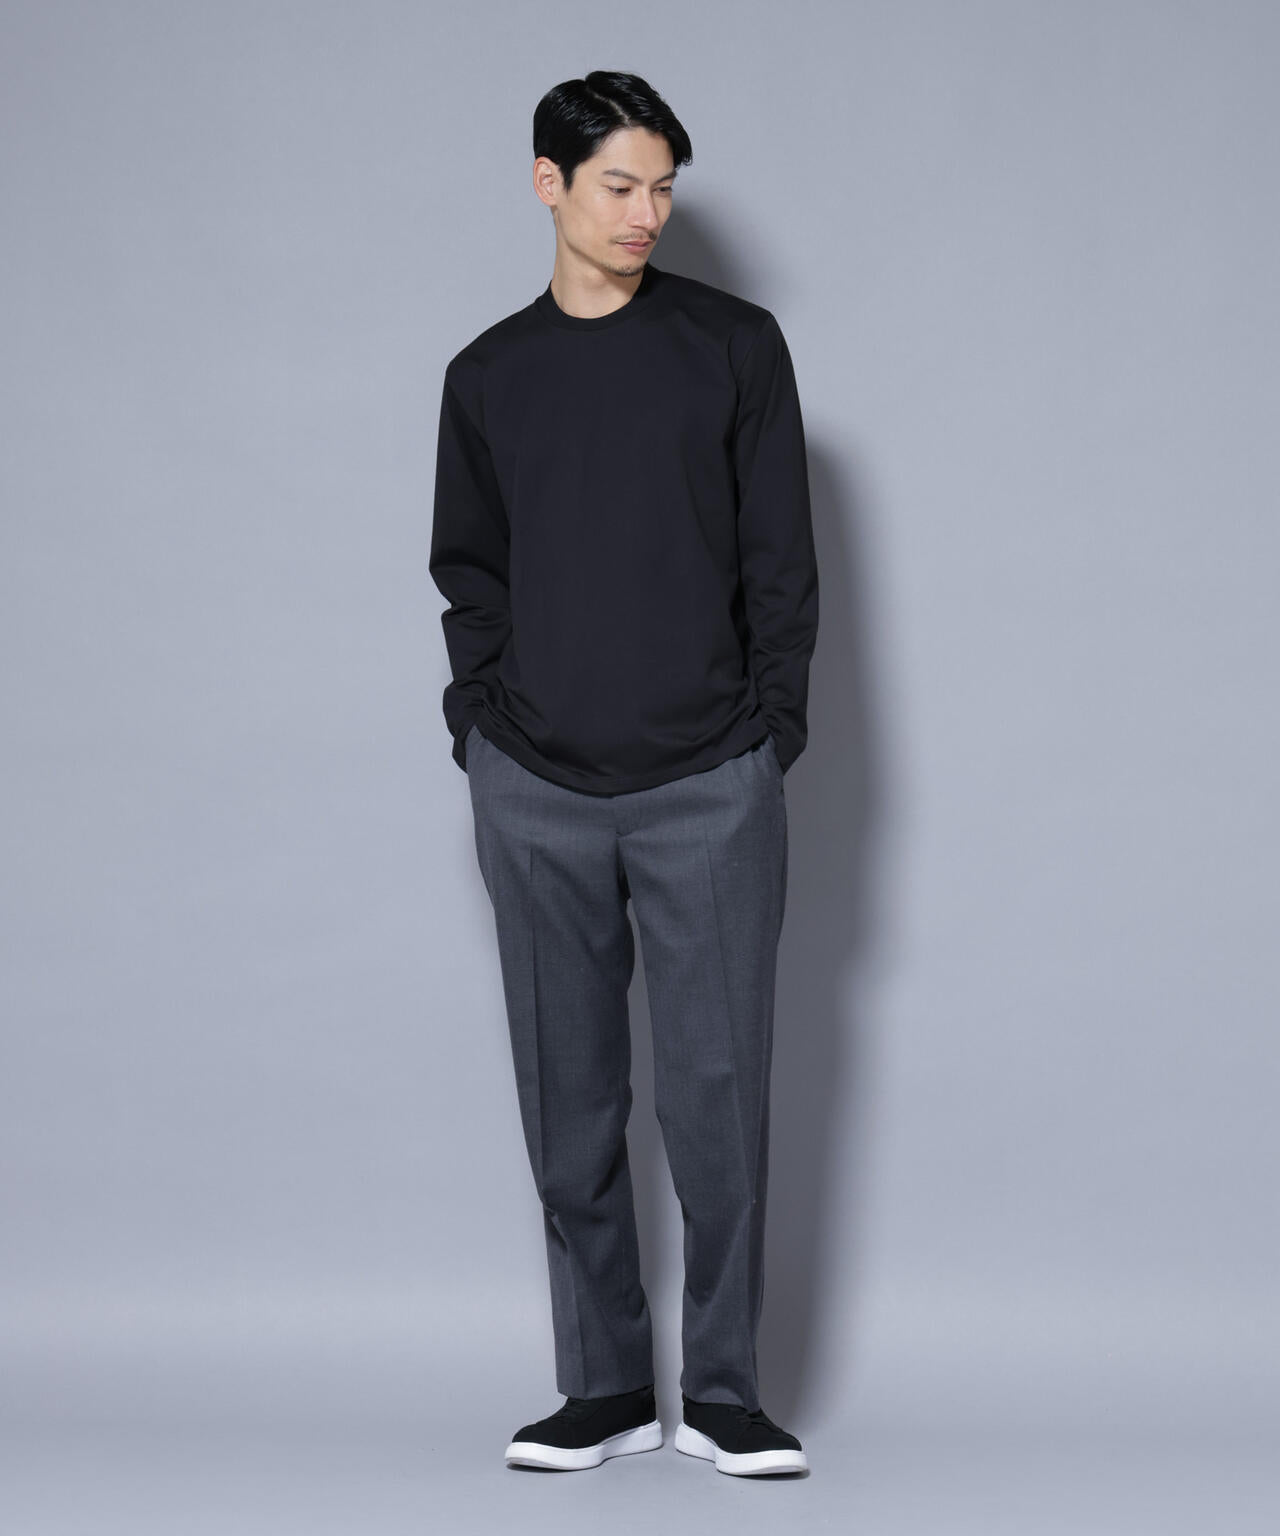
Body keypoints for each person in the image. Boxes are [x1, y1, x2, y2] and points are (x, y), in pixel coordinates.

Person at [429, 70, 819, 1478]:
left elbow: (782, 563)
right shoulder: (489, 375)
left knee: (719, 1105)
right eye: (618, 185)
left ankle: (722, 1394)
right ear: (549, 183)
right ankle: (600, 1389)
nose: (646, 212)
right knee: (570, 1102)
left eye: (663, 188)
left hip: (709, 781)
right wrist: (479, 726)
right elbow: (468, 572)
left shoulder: (735, 348)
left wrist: (770, 733)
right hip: (533, 783)